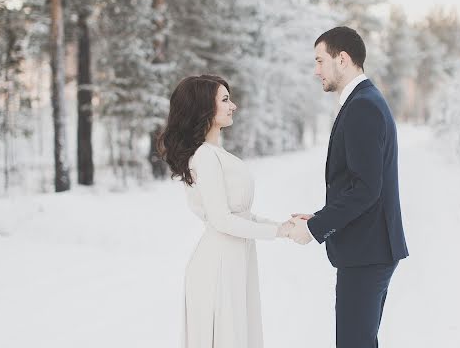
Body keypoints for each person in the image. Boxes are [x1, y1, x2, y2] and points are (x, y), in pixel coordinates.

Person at [289, 26, 409, 347]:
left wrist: (316, 229)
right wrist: (318, 217)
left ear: (342, 59)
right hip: (370, 248)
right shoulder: (364, 100)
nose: (316, 71)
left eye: (319, 61)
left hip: (368, 250)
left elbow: (366, 188)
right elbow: (359, 184)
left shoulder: (362, 106)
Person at [157, 74, 294, 348]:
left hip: (233, 256)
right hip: (218, 263)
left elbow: (239, 214)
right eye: (225, 99)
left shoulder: (213, 153)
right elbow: (222, 219)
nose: (234, 106)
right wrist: (277, 232)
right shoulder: (206, 156)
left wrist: (284, 227)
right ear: (204, 107)